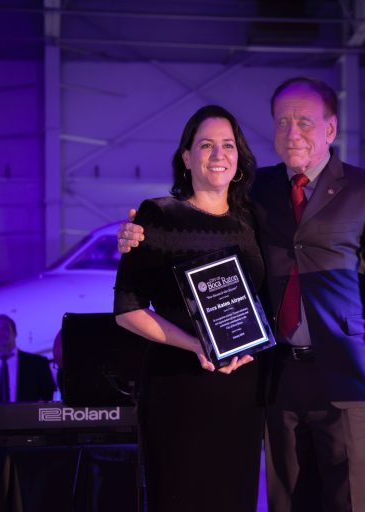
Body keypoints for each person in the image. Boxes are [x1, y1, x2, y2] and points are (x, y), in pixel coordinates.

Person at [118, 77, 365, 511]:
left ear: (330, 128)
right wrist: (134, 232)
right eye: (282, 122)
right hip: (277, 380)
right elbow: (200, 216)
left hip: (346, 375)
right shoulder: (258, 191)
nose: (292, 133)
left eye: (304, 122)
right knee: (286, 502)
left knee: (354, 501)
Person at [113, 104, 264, 512]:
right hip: (177, 387)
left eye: (228, 145)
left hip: (242, 391)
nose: (218, 155)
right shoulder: (157, 216)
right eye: (206, 145)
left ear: (239, 156)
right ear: (186, 157)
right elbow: (127, 310)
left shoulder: (254, 220)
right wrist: (197, 345)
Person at [0, 314, 55, 512]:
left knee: (30, 498)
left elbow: (47, 396)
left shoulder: (37, 363)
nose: (1, 334)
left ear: (15, 333)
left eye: (5, 329)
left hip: (30, 443)